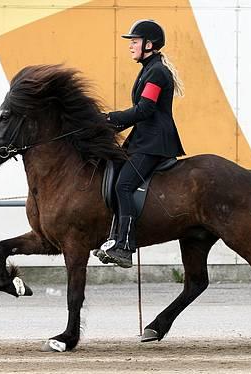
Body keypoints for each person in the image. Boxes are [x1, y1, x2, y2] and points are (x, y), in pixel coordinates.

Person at [96, 19, 185, 268]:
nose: (130, 46)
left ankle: (124, 246)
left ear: (149, 44)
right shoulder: (149, 68)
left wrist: (110, 118)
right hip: (145, 139)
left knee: (124, 186)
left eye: (134, 41)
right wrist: (110, 125)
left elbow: (145, 109)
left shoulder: (156, 72)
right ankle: (114, 239)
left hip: (154, 142)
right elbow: (140, 111)